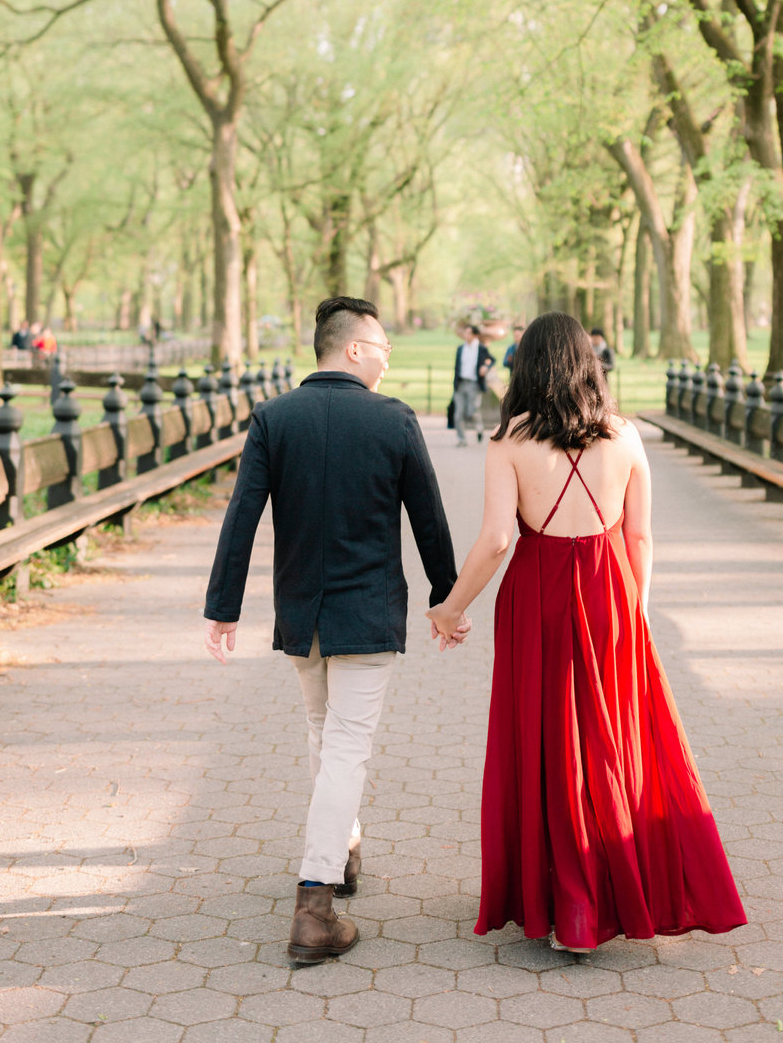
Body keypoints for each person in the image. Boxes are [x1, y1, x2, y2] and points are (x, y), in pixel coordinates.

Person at [428, 311, 746, 954]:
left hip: (537, 591)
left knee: (545, 738)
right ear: (588, 363)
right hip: (610, 591)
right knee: (608, 738)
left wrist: (450, 608)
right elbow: (640, 536)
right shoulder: (626, 437)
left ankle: (563, 907)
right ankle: (602, 893)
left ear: (528, 366)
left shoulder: (509, 439)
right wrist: (639, 608)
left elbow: (496, 540)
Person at [203, 295, 462, 965]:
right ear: (351, 348)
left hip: (301, 615)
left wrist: (223, 606)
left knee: (325, 734)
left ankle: (342, 846)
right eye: (381, 346)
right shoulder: (392, 419)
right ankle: (314, 905)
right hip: (368, 615)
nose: (386, 358)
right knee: (346, 746)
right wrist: (447, 598)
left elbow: (242, 516)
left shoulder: (274, 417)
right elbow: (429, 519)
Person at [451, 323, 495, 447]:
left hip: (474, 384)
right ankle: (462, 439)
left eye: (468, 333)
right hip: (461, 384)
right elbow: (457, 367)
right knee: (458, 413)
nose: (466, 335)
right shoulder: (461, 349)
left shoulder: (481, 348)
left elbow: (492, 359)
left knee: (473, 410)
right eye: (465, 333)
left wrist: (485, 367)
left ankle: (479, 428)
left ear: (475, 335)